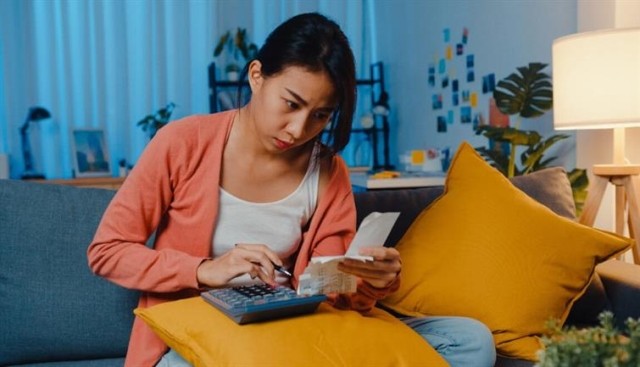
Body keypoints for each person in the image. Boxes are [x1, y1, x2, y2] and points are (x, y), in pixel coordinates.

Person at [88, 12, 496, 367]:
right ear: (257, 76)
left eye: (320, 115)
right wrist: (202, 270)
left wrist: (371, 281)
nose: (299, 130)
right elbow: (107, 252)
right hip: (200, 330)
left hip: (296, 327)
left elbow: (329, 294)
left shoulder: (327, 169)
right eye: (291, 103)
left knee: (470, 342)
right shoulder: (181, 143)